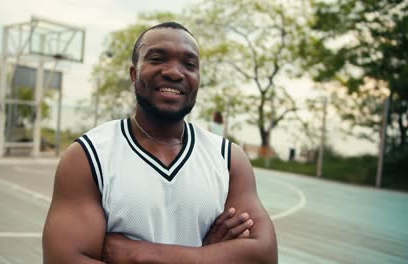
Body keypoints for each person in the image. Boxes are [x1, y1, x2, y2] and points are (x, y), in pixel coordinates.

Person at [42, 22, 277, 263]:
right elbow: (63, 259)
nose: (174, 72)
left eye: (189, 64)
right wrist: (209, 255)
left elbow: (264, 256)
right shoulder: (88, 156)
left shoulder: (229, 159)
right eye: (157, 59)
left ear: (198, 79)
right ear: (134, 74)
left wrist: (138, 254)